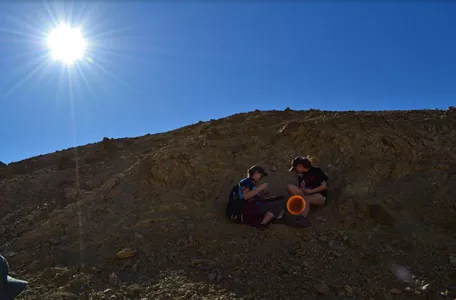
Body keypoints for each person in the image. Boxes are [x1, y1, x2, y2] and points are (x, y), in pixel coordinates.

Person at [239, 165, 285, 230]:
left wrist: (262, 193)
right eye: (261, 175)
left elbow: (254, 197)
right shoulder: (247, 181)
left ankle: (266, 220)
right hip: (247, 210)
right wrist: (260, 188)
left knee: (278, 200)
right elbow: (246, 196)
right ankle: (262, 224)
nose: (261, 177)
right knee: (278, 205)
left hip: (251, 209)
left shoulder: (252, 184)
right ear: (256, 173)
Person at [287, 156, 329, 227]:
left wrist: (311, 191)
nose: (296, 171)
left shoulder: (316, 170)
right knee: (290, 187)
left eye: (296, 168)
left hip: (319, 196)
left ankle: (303, 219)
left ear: (300, 166)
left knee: (306, 199)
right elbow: (301, 189)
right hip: (307, 194)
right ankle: (300, 207)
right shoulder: (300, 175)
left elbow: (324, 186)